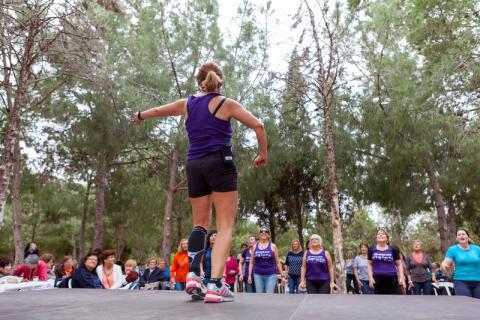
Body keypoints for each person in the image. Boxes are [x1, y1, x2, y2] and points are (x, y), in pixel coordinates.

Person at [133, 61, 267, 303]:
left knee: (200, 223)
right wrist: (262, 154)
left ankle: (194, 275)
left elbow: (157, 110)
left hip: (194, 165)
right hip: (220, 163)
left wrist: (140, 115)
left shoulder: (188, 103)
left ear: (199, 81)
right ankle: (215, 285)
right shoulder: (227, 104)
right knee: (225, 225)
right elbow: (259, 125)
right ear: (220, 80)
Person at [442, 228, 480, 299]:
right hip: (461, 281)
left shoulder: (477, 249)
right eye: (459, 235)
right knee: (465, 305)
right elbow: (445, 262)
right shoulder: (453, 249)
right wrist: (444, 265)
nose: (461, 236)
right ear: (457, 238)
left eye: (463, 234)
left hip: (478, 281)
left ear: (468, 237)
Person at [248, 227, 285, 293]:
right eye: (261, 231)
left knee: (269, 295)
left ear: (269, 235)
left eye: (266, 231)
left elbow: (278, 262)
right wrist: (249, 275)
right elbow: (251, 263)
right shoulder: (255, 246)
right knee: (259, 296)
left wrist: (282, 276)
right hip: (258, 275)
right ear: (259, 235)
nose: (263, 232)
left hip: (271, 275)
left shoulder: (273, 246)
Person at [367, 229, 405, 295]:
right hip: (377, 279)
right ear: (376, 238)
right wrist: (370, 278)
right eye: (378, 234)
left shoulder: (393, 249)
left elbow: (399, 264)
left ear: (387, 238)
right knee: (379, 302)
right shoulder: (371, 249)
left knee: (395, 300)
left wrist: (401, 278)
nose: (380, 235)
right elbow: (369, 264)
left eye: (383, 233)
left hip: (392, 278)